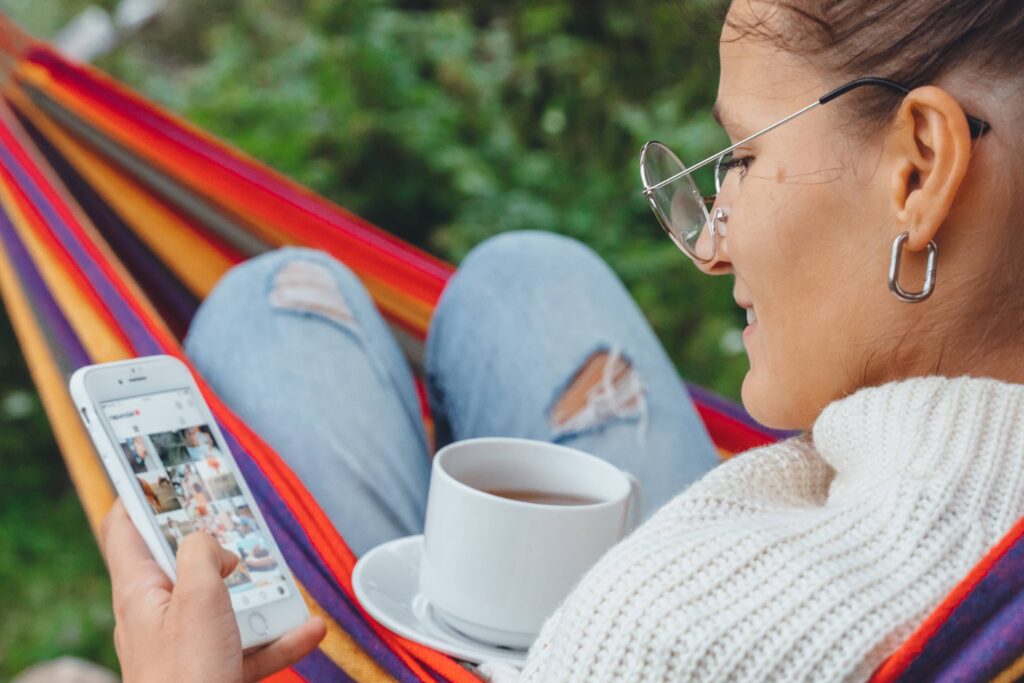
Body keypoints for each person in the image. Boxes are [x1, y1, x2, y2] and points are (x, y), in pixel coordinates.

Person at [102, 0, 1024, 680]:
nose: (709, 243)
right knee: (527, 277)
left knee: (272, 304)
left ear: (920, 170)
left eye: (741, 157)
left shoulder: (671, 631)